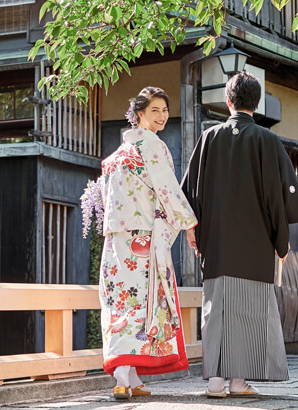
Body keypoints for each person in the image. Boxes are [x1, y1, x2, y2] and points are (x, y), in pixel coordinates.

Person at [181, 71, 298, 397]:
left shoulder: (209, 138)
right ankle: (238, 382)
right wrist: (281, 241)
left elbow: (189, 193)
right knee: (249, 312)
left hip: (217, 245)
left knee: (217, 309)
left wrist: (192, 232)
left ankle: (214, 382)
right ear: (258, 102)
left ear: (228, 101)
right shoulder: (267, 140)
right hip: (255, 245)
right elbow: (278, 199)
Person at [98, 86, 198, 400]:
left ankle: (127, 376)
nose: (162, 116)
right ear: (139, 114)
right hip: (142, 239)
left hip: (116, 240)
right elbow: (168, 190)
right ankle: (125, 378)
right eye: (155, 110)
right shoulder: (152, 146)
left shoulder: (115, 158)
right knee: (141, 303)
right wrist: (189, 224)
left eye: (165, 110)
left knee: (119, 304)